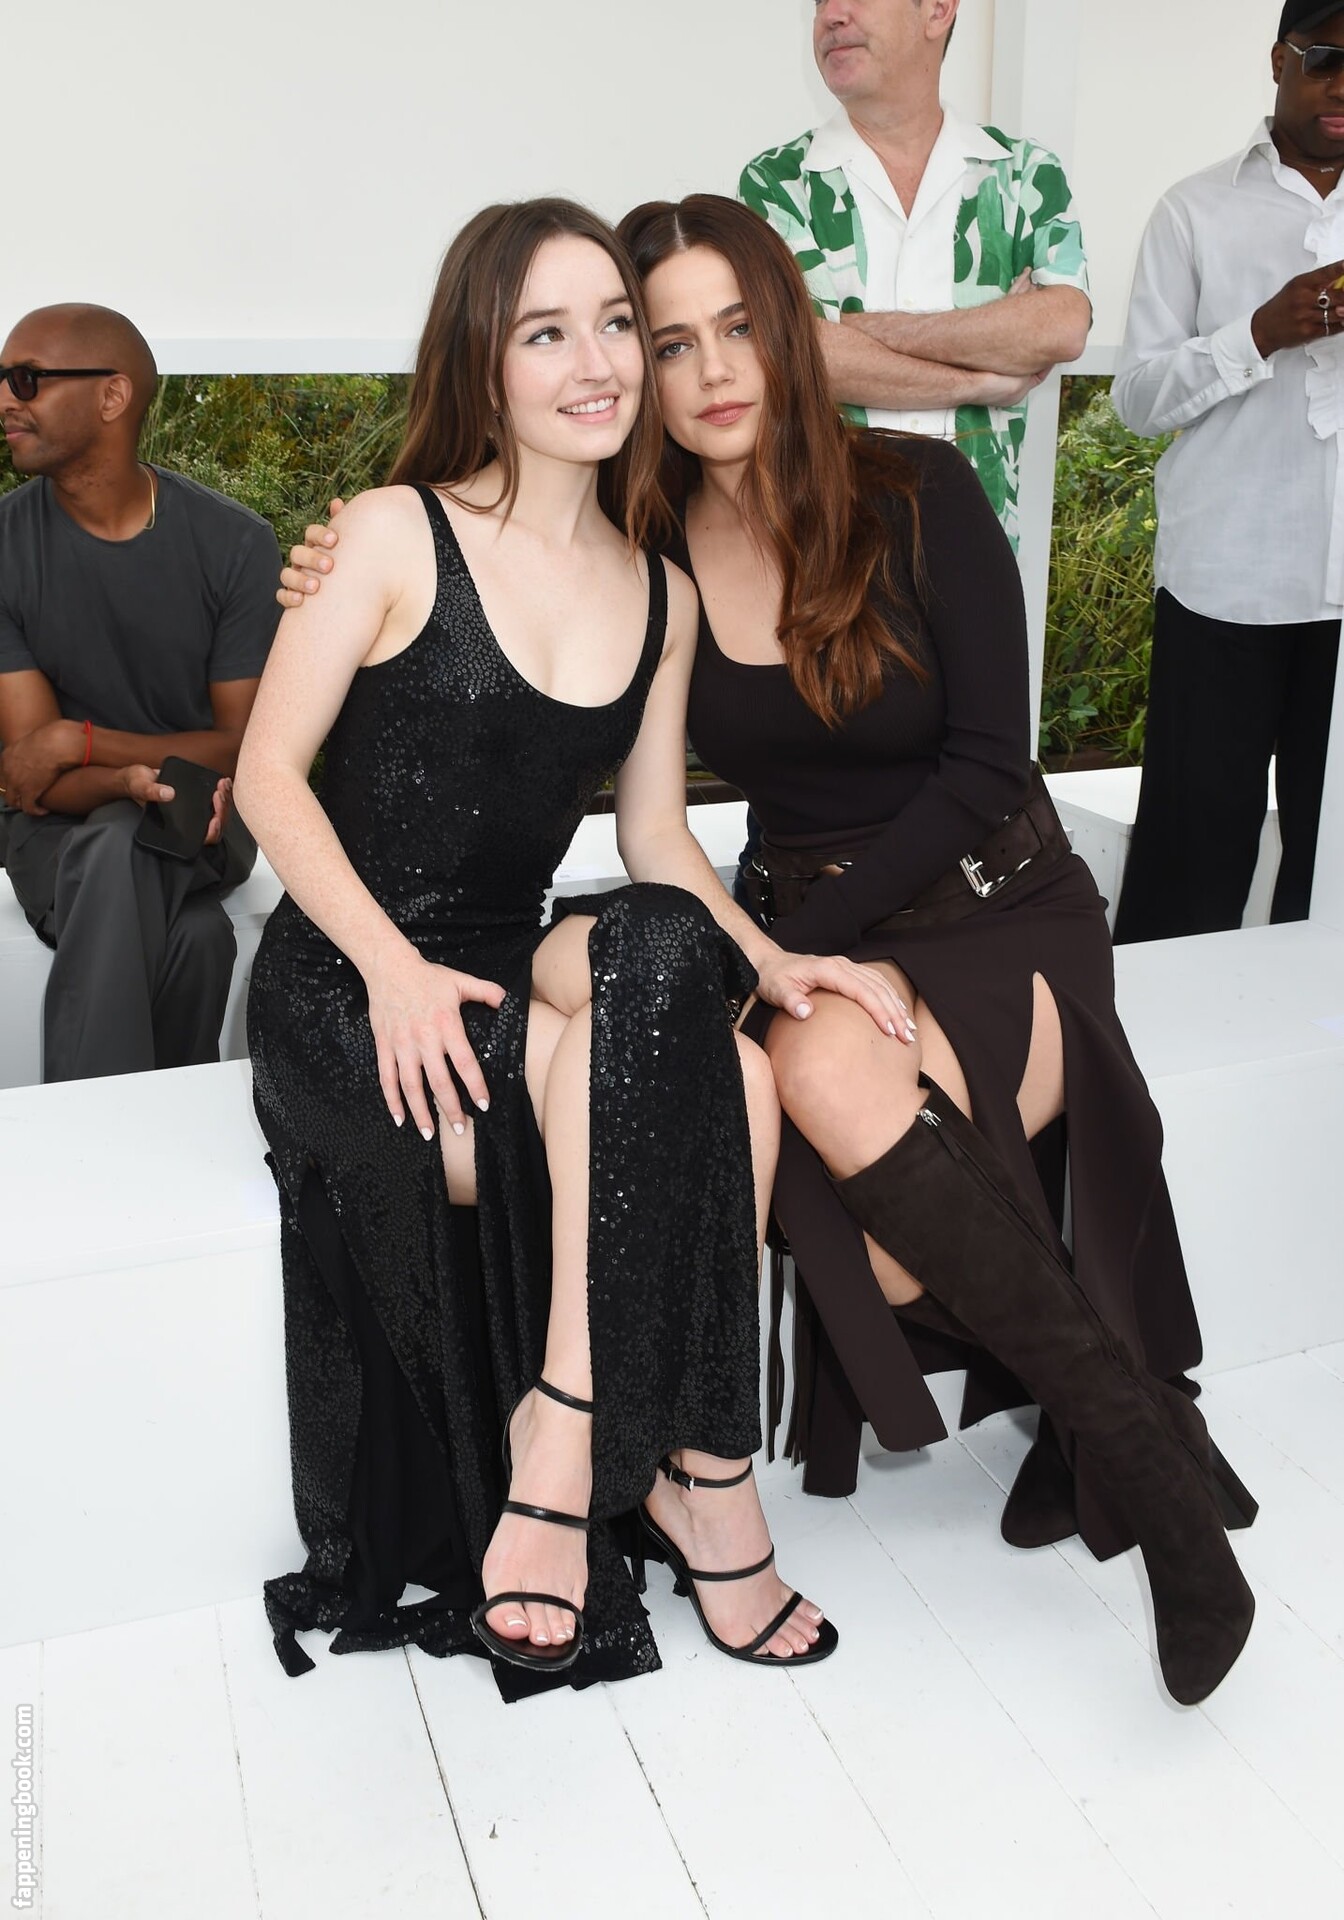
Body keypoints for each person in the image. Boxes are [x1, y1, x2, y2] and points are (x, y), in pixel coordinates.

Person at [283, 196, 1257, 1706]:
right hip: (781, 927)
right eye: (667, 341)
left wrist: (782, 956)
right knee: (773, 1114)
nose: (703, 369)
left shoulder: (916, 493)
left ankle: (1142, 1467)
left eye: (730, 326)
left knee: (791, 1068)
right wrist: (775, 955)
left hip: (989, 903)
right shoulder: (645, 546)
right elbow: (625, 814)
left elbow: (986, 767)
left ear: (794, 330)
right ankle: (732, 1468)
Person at [238, 199, 917, 1694]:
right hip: (350, 978)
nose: (598, 362)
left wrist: (775, 963)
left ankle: (575, 1426)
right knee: (730, 1092)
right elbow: (268, 779)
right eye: (547, 332)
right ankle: (702, 1486)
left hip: (506, 954)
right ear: (483, 359)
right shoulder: (390, 531)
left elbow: (659, 839)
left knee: (683, 963)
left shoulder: (660, 592)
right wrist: (391, 971)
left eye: (616, 323)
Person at [1112, 1, 1344, 943]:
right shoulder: (1194, 209)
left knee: (1336, 871)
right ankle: (1154, 1029)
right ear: (1280, 59)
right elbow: (1136, 400)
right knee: (1192, 861)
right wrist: (1258, 332)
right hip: (1227, 585)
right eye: (1327, 58)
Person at [0, 304, 278, 1081]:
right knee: (196, 936)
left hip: (201, 818)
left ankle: (83, 1131)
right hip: (57, 834)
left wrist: (80, 740)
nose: (5, 400)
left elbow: (243, 749)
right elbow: (34, 782)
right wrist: (116, 777)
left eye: (26, 379)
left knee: (127, 840)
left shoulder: (235, 545)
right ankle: (149, 1137)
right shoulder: (5, 547)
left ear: (112, 396)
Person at [738, 0, 1091, 546]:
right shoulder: (776, 183)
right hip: (830, 547)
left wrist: (858, 330)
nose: (832, 14)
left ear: (938, 10)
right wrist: (982, 378)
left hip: (984, 546)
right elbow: (800, 355)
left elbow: (1062, 326)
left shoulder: (1023, 174)